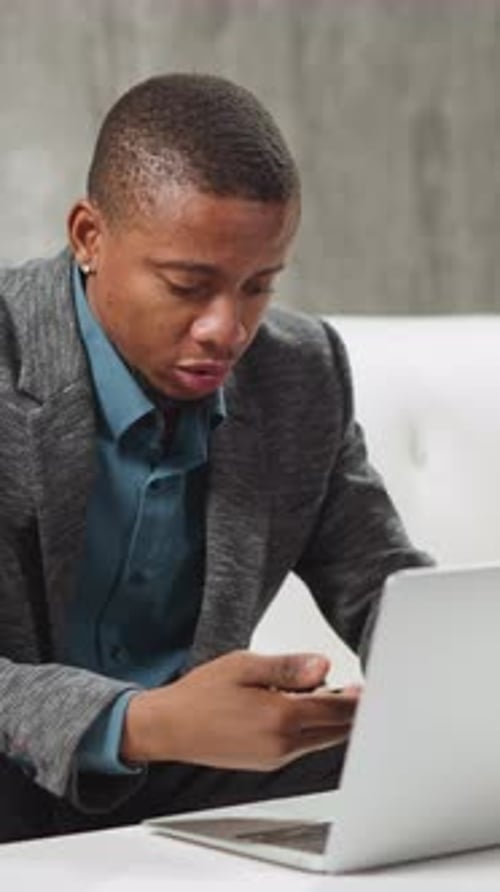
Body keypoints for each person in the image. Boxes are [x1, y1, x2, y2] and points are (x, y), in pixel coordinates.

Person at [0, 73, 429, 843]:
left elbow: (386, 588)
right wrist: (145, 721)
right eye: (187, 286)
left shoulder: (301, 370)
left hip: (186, 787)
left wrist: (438, 690)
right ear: (88, 236)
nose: (226, 330)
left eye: (258, 286)